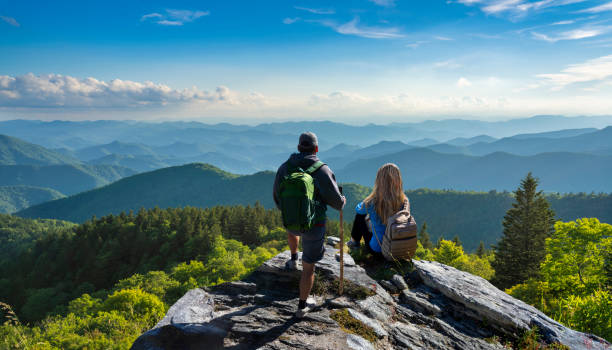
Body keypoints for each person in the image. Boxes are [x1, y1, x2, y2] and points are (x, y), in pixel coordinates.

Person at [273, 132, 345, 318]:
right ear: (316, 148)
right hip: (314, 225)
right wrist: (343, 199)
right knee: (309, 268)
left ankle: (293, 257)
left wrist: (290, 211)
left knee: (293, 230)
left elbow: (277, 197)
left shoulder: (285, 168)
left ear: (298, 148)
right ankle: (302, 306)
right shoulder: (322, 170)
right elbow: (337, 203)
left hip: (291, 223)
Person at [348, 163, 408, 256]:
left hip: (378, 251)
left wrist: (366, 200)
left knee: (360, 217)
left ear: (379, 180)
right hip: (399, 250)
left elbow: (358, 209)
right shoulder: (404, 201)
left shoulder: (373, 201)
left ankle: (354, 243)